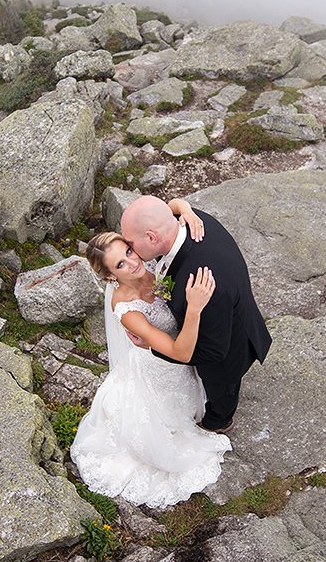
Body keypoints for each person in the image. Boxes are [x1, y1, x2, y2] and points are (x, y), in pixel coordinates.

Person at [70, 200, 231, 508]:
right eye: (120, 265)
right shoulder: (127, 309)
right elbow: (180, 352)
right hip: (162, 364)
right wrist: (194, 308)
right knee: (173, 430)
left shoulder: (149, 260)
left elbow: (166, 207)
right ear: (109, 277)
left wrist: (186, 211)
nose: (132, 263)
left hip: (176, 356)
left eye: (129, 252)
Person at [119, 195, 271, 434]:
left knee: (222, 389)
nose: (132, 253)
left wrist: (152, 345)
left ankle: (219, 422)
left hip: (228, 348)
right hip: (222, 312)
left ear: (151, 237)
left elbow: (213, 351)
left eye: (130, 244)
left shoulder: (206, 285)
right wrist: (184, 206)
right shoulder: (192, 221)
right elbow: (171, 207)